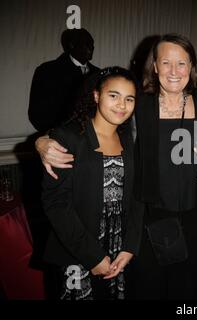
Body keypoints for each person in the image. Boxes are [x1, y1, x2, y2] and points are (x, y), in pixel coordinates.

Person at [36, 34, 197, 299]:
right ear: (155, 66)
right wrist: (43, 141)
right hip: (149, 218)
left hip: (194, 217)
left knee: (189, 290)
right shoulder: (139, 105)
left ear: (191, 67)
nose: (174, 71)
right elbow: (91, 124)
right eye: (166, 62)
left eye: (182, 63)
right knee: (150, 289)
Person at [41, 67, 140, 299]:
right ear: (96, 96)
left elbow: (136, 195)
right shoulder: (68, 137)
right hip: (77, 246)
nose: (122, 105)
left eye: (129, 98)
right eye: (113, 95)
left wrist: (130, 246)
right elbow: (56, 204)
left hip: (118, 246)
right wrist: (92, 256)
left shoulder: (129, 138)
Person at [29, 28, 99, 134]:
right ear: (72, 45)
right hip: (61, 140)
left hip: (94, 139)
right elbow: (37, 112)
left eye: (92, 44)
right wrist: (56, 135)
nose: (92, 48)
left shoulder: (98, 73)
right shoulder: (48, 71)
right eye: (87, 43)